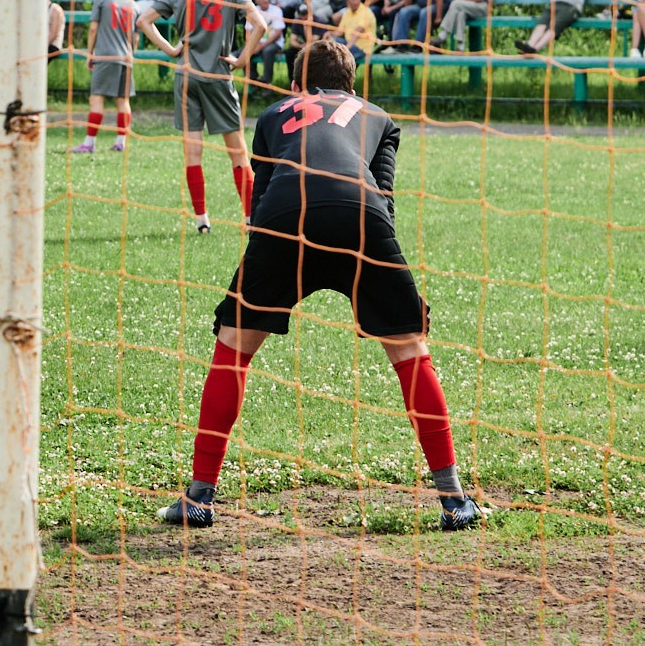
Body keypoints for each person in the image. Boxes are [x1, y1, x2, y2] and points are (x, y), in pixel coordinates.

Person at [158, 35, 481, 531]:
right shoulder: (378, 117)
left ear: (295, 86)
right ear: (351, 84)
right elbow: (385, 198)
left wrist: (262, 259)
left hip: (284, 218)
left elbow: (259, 200)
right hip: (363, 220)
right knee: (412, 353)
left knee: (233, 349)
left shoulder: (272, 115)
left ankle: (200, 495)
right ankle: (454, 498)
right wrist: (390, 281)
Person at [136, 0, 265, 231]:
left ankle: (201, 220)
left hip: (186, 76)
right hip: (219, 74)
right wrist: (243, 59)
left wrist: (170, 50)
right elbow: (260, 24)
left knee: (193, 152)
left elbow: (143, 20)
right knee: (237, 151)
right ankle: (249, 217)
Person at [70, 0, 144, 155]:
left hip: (106, 56)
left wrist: (90, 53)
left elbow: (94, 28)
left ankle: (89, 143)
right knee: (123, 101)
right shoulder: (134, 6)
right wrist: (131, 54)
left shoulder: (102, 0)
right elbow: (136, 37)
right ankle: (121, 142)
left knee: (96, 98)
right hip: (126, 58)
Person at [335, 0, 379, 64]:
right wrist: (328, 34)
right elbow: (339, 32)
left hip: (362, 49)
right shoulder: (347, 12)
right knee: (333, 42)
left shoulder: (366, 12)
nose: (355, 2)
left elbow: (356, 35)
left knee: (338, 57)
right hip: (349, 44)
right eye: (353, 0)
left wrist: (345, 49)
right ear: (347, 2)